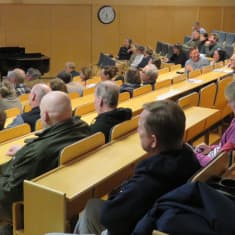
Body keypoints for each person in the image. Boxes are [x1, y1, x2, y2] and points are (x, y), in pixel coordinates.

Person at [73, 100, 200, 235]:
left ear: (153, 141)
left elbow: (111, 217)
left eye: (140, 127)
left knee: (91, 208)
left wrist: (121, 193)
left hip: (142, 226)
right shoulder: (189, 158)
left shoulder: (151, 178)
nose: (138, 131)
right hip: (160, 217)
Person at [0, 91, 90, 235]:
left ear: (46, 116)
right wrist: (25, 151)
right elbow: (50, 145)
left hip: (34, 207)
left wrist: (24, 155)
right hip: (66, 193)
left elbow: (8, 194)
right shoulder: (82, 127)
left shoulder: (38, 153)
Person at [195, 81, 235, 167]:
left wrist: (195, 156)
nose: (228, 105)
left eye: (230, 101)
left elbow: (217, 163)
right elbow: (224, 147)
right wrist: (211, 149)